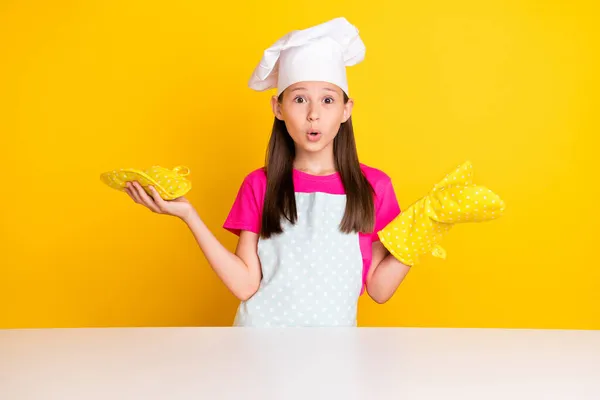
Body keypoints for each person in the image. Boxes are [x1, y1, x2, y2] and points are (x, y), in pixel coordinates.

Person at [123, 17, 412, 327]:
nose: (313, 114)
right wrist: (189, 215)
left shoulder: (373, 186)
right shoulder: (260, 184)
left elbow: (380, 289)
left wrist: (429, 222)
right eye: (299, 99)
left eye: (328, 100)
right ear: (278, 107)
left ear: (346, 110)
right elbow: (246, 284)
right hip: (259, 345)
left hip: (334, 350)